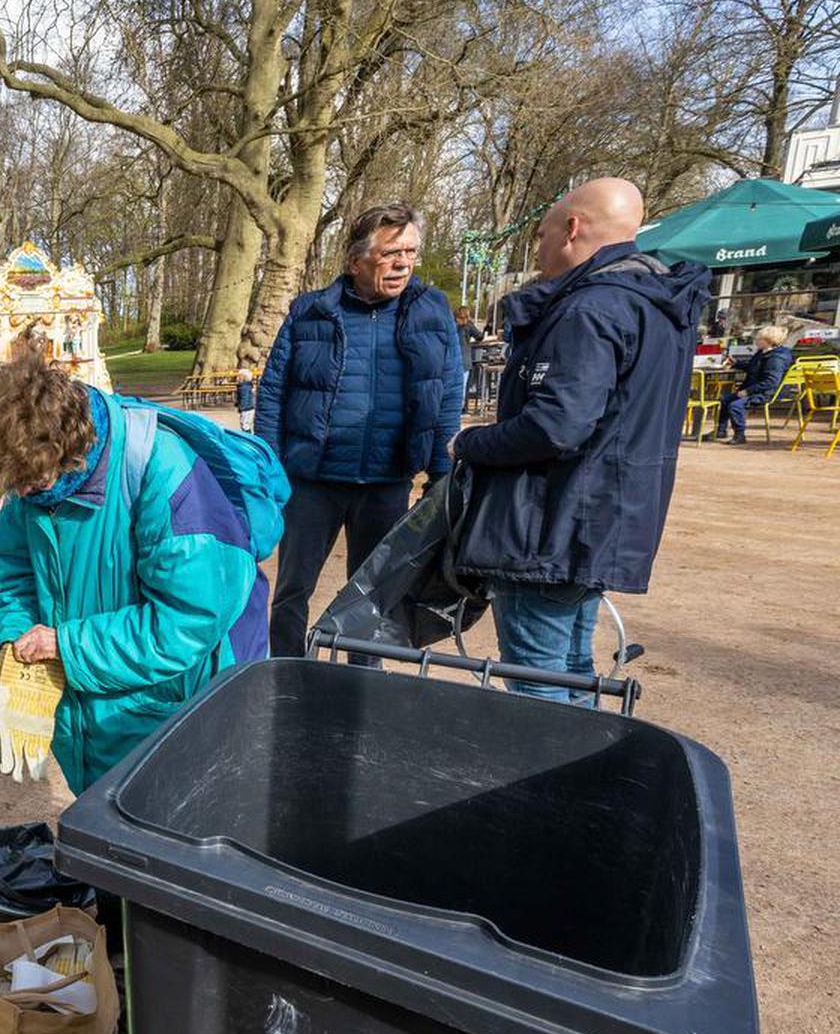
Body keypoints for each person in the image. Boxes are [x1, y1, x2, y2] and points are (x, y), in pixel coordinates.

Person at [0, 346, 283, 795]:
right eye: (11, 484)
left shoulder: (163, 472)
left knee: (167, 823)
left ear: (69, 452)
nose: (19, 492)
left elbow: (186, 621)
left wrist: (64, 644)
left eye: (28, 482)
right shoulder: (32, 474)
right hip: (98, 694)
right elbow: (20, 570)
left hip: (177, 697)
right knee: (106, 817)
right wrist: (15, 641)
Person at [453, 178, 710, 703]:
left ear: (572, 229)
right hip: (599, 519)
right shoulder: (654, 305)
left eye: (542, 235)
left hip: (551, 525)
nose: (540, 249)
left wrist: (471, 444)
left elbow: (556, 425)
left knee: (538, 678)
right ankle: (583, 778)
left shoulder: (591, 309)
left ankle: (546, 781)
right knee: (571, 668)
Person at [255, 203, 465, 659]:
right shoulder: (310, 311)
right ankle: (287, 671)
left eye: (410, 252)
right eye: (390, 253)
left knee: (374, 596)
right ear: (355, 261)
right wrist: (269, 469)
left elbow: (448, 392)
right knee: (293, 590)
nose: (403, 263)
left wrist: (442, 473)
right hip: (312, 481)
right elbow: (272, 393)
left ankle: (360, 682)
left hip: (386, 483)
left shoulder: (432, 310)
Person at [716, 324, 793, 444]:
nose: (756, 341)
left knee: (735, 405)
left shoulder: (776, 359)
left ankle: (740, 435)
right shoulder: (763, 353)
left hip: (764, 393)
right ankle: (720, 431)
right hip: (753, 389)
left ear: (768, 341)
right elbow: (753, 368)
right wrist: (736, 363)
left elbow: (771, 381)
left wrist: (747, 391)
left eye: (759, 339)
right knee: (726, 400)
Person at [234, 368, 257, 432]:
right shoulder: (246, 386)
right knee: (246, 424)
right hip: (249, 407)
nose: (237, 378)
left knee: (244, 425)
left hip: (246, 409)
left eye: (238, 377)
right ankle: (248, 435)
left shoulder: (243, 387)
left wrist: (241, 407)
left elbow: (244, 398)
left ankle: (248, 437)